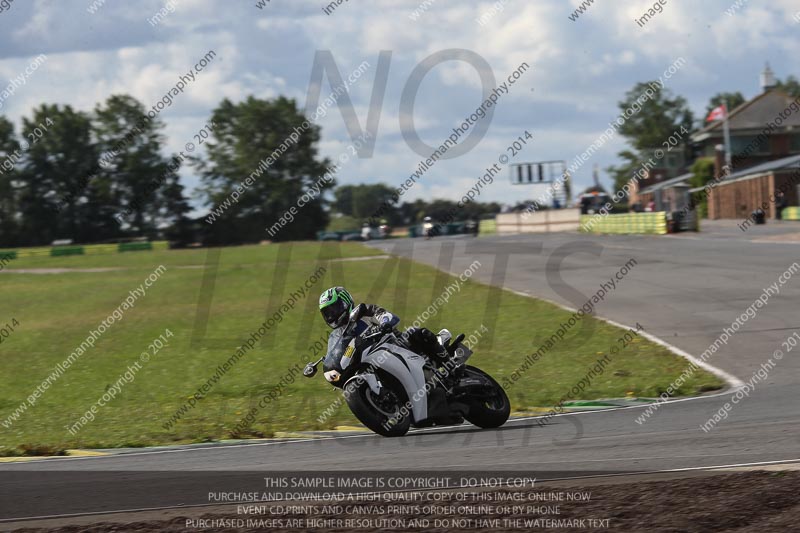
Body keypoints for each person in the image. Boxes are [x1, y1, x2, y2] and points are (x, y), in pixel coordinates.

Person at [318, 286, 449, 364]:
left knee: (416, 332)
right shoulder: (337, 335)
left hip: (397, 347)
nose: (332, 316)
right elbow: (336, 354)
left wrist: (384, 324)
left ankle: (449, 365)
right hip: (372, 362)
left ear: (345, 302)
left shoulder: (364, 311)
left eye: (334, 309)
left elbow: (388, 316)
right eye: (327, 313)